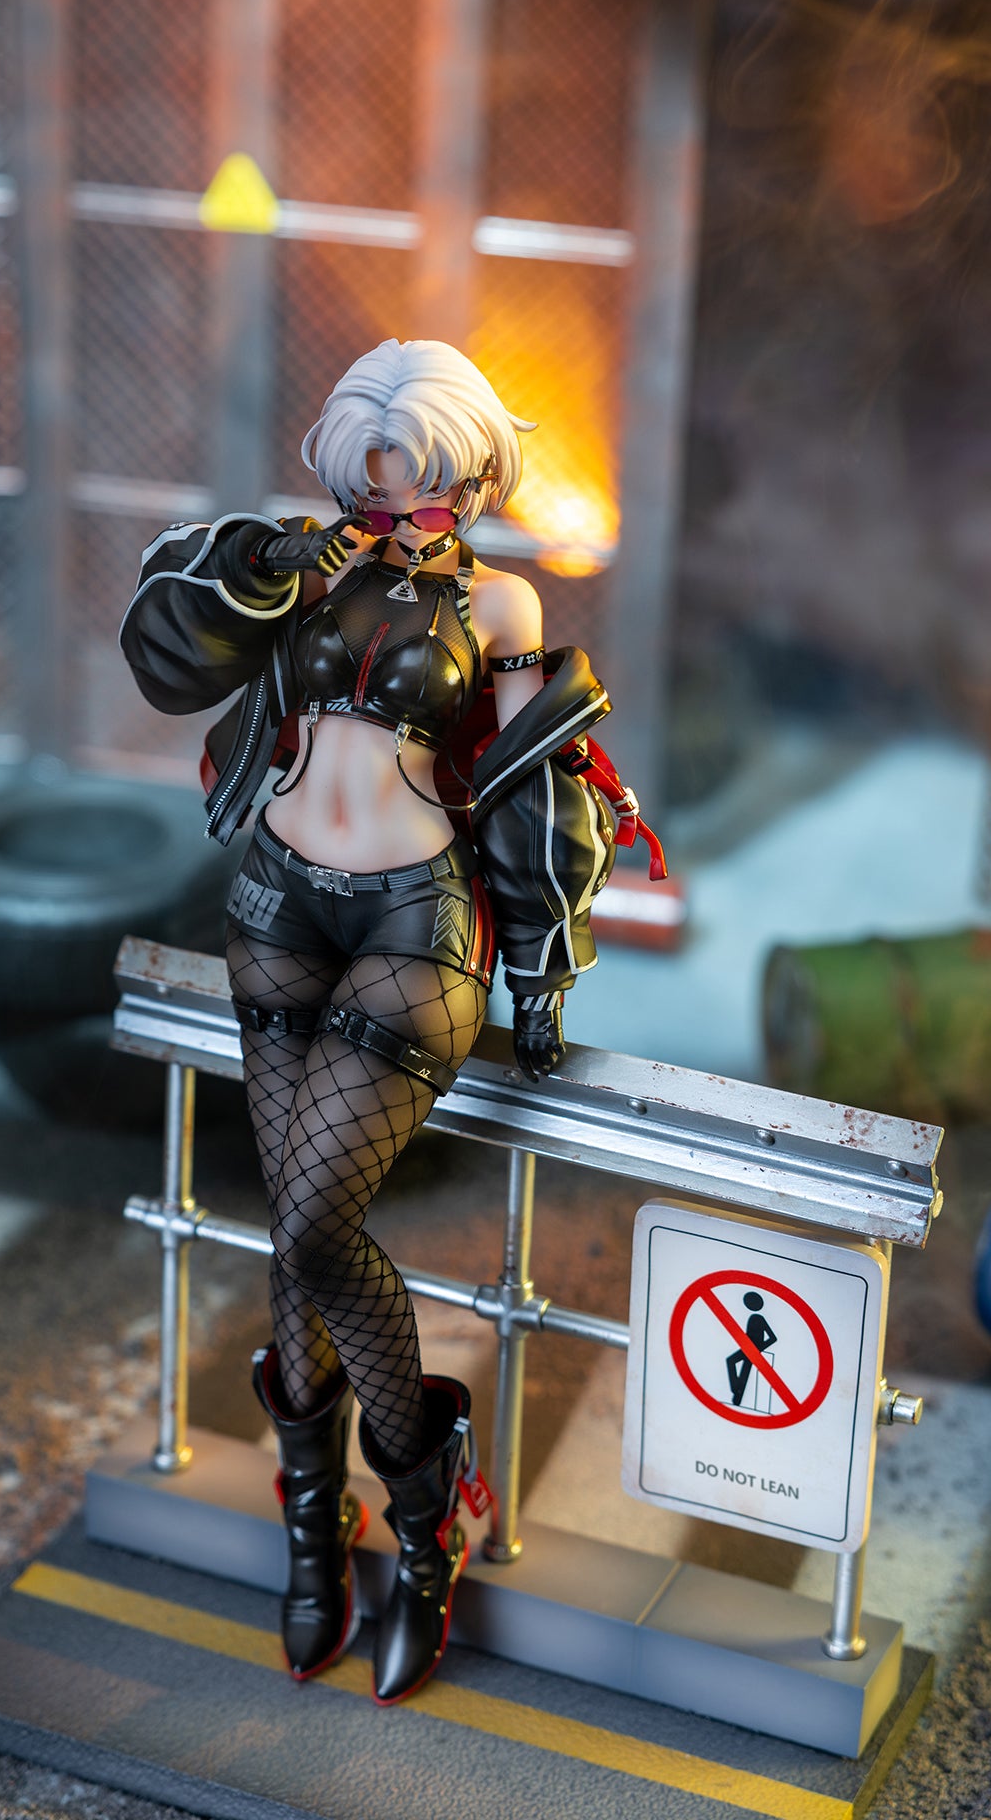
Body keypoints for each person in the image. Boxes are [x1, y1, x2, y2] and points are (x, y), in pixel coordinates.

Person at [120, 338, 663, 1706]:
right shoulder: (301, 564)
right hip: (276, 902)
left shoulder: (502, 598)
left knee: (314, 1226)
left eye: (415, 482)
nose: (390, 507)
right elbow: (173, 657)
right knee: (293, 1229)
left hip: (413, 921)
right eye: (368, 481)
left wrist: (541, 970)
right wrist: (255, 563)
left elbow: (537, 792)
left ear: (467, 476)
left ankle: (424, 1527)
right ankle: (315, 1526)